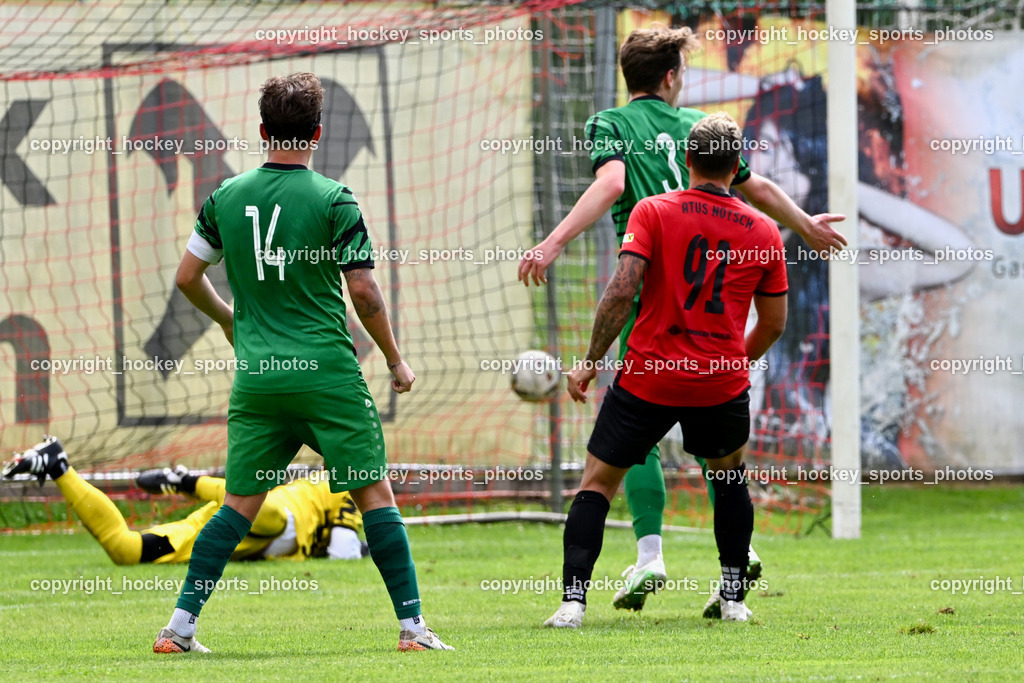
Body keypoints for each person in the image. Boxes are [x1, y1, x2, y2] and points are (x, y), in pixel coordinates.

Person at [518, 25, 844, 615]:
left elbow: (612, 183)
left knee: (621, 444)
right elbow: (760, 191)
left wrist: (552, 243)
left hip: (648, 279)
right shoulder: (700, 129)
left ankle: (646, 556)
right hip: (717, 322)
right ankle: (733, 578)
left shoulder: (611, 125)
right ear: (672, 77)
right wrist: (805, 225)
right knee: (724, 467)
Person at [150, 73, 451, 653]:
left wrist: (227, 318)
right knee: (375, 496)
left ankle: (179, 629)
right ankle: (413, 629)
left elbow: (187, 278)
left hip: (259, 380)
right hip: (326, 375)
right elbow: (363, 291)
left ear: (262, 132)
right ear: (317, 133)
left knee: (239, 504)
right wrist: (395, 359)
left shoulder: (225, 198)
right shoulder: (335, 200)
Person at [543, 112, 788, 628]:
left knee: (597, 484)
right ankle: (733, 599)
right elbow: (774, 324)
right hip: (720, 382)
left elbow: (621, 290)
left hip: (650, 374)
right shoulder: (766, 230)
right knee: (728, 478)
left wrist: (589, 362)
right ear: (736, 164)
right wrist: (733, 362)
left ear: (686, 158)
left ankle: (572, 605)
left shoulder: (652, 211)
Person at [2, 436, 367, 564]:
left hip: (241, 532)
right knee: (265, 510)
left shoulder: (324, 477)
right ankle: (184, 478)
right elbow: (344, 551)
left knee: (126, 551)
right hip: (273, 521)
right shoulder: (351, 485)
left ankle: (58, 467)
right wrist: (370, 547)